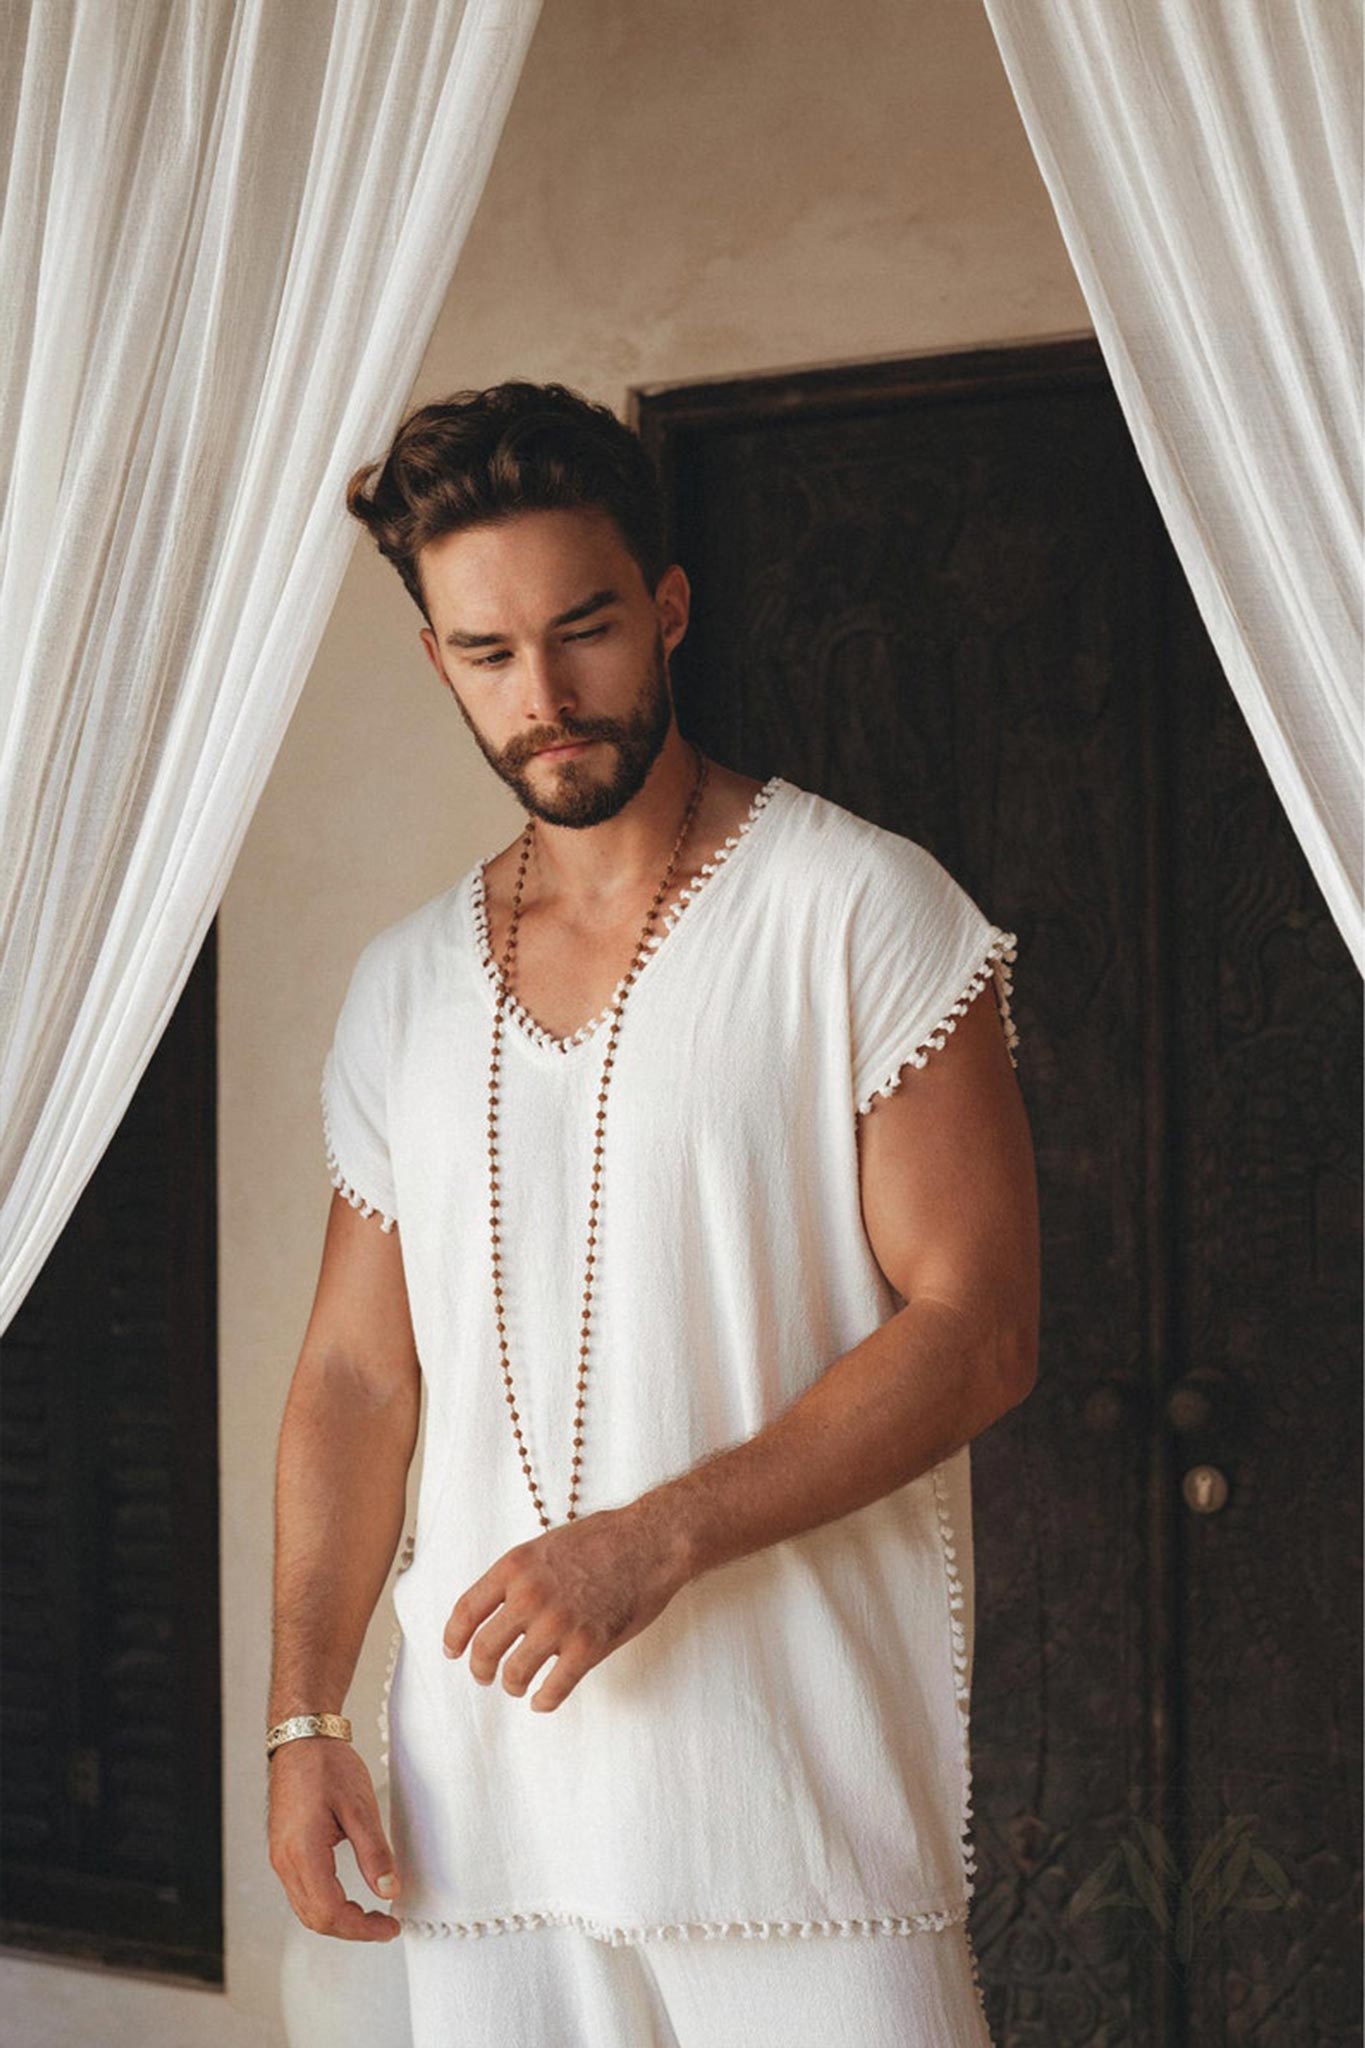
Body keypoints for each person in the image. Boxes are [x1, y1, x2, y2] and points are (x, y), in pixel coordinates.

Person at [267, 380, 1040, 2048]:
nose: (544, 699)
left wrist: (654, 1540)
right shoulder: (400, 987)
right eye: (488, 654)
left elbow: (976, 1329)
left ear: (669, 608)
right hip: (485, 1827)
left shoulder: (856, 908)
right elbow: (353, 1375)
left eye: (585, 630)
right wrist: (302, 1716)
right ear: (438, 663)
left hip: (795, 1810)